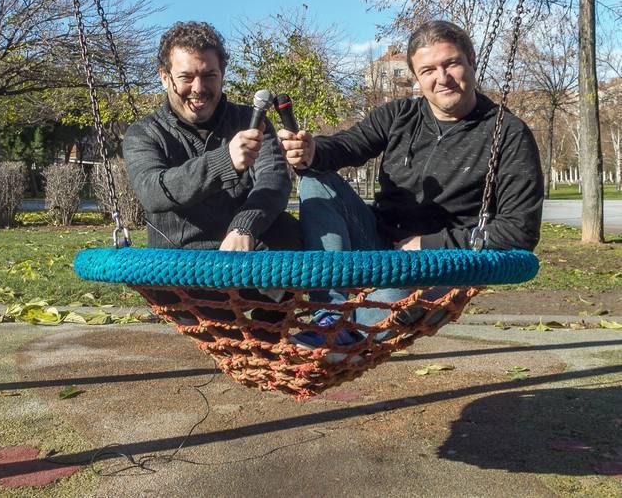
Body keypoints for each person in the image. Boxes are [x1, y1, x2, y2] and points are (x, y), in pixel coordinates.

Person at [277, 19, 543, 343]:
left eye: (451, 64)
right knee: (315, 181)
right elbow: (348, 145)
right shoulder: (399, 115)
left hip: (443, 263)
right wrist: (313, 150)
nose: (442, 78)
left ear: (471, 61)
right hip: (379, 245)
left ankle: (342, 335)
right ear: (417, 78)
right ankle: (331, 308)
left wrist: (430, 244)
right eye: (428, 70)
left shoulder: (508, 134)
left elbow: (519, 231)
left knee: (392, 300)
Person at [124, 20, 300, 252]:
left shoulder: (250, 122)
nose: (198, 87)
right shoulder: (144, 133)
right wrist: (225, 161)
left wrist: (244, 226)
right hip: (177, 264)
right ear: (165, 77)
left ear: (222, 74)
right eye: (186, 77)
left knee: (295, 231)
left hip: (248, 251)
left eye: (209, 75)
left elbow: (274, 179)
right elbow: (153, 191)